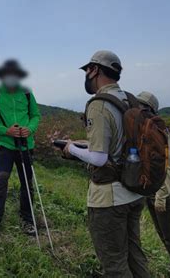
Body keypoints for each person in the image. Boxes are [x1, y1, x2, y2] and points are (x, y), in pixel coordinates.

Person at [62, 51, 150, 277]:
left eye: (87, 70)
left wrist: (70, 148)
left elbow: (100, 158)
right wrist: (83, 145)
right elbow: (117, 144)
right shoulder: (130, 100)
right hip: (134, 191)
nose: (86, 76)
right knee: (135, 253)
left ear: (95, 70)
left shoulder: (98, 105)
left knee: (114, 262)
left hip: (110, 198)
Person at [0, 59, 41, 237]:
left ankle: (28, 220)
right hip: (5, 145)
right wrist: (6, 131)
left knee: (27, 184)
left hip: (25, 145)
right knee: (1, 181)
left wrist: (29, 129)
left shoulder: (27, 93)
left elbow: (35, 116)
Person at [138, 91, 170, 278]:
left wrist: (160, 197)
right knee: (165, 238)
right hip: (154, 194)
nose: (137, 109)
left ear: (149, 109)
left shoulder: (161, 132)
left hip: (168, 195)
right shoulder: (145, 131)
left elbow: (168, 167)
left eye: (141, 106)